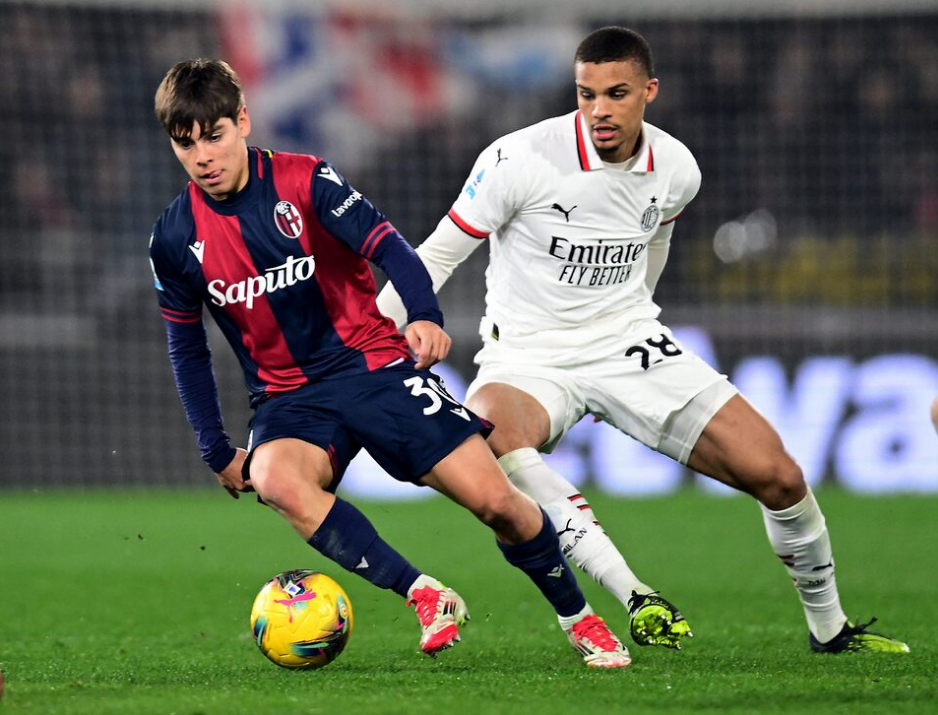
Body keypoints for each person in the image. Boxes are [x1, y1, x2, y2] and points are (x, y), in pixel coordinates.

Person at [378, 26, 909, 655]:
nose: (599, 109)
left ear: (649, 91)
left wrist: (635, 328)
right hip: (527, 355)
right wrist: (369, 338)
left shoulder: (677, 168)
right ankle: (633, 593)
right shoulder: (518, 159)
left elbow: (655, 243)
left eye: (617, 93)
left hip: (627, 343)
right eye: (587, 94)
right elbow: (436, 254)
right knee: (493, 432)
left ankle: (831, 631)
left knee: (780, 477)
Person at [148, 58, 633, 669]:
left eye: (214, 136)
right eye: (185, 144)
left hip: (372, 366)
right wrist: (215, 448)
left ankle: (580, 618)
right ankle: (425, 593)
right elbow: (186, 346)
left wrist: (424, 314)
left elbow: (389, 246)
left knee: (497, 503)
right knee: (274, 478)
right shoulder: (174, 238)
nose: (202, 158)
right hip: (289, 400)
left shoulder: (306, 180)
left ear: (242, 121)